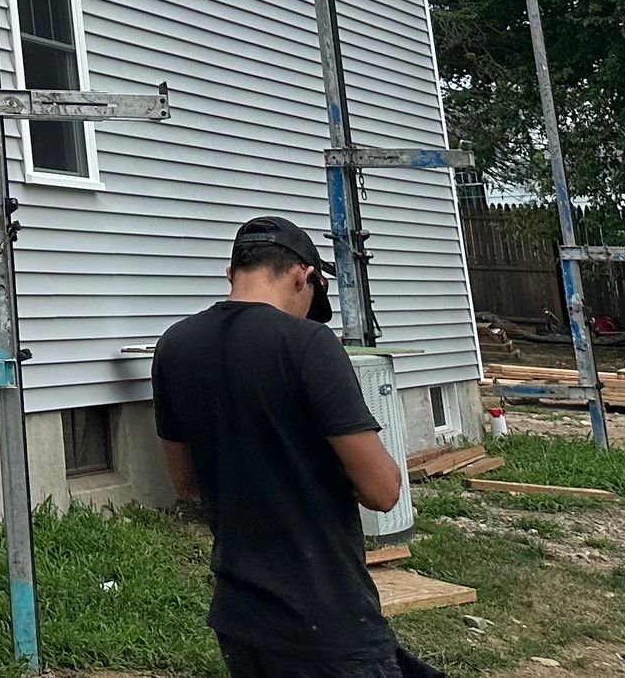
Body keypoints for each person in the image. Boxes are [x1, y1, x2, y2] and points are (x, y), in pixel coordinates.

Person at [153, 215, 431, 678]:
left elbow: (185, 484)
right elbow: (383, 491)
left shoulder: (174, 346)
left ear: (232, 274)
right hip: (326, 613)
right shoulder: (309, 344)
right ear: (304, 276)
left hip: (240, 614)